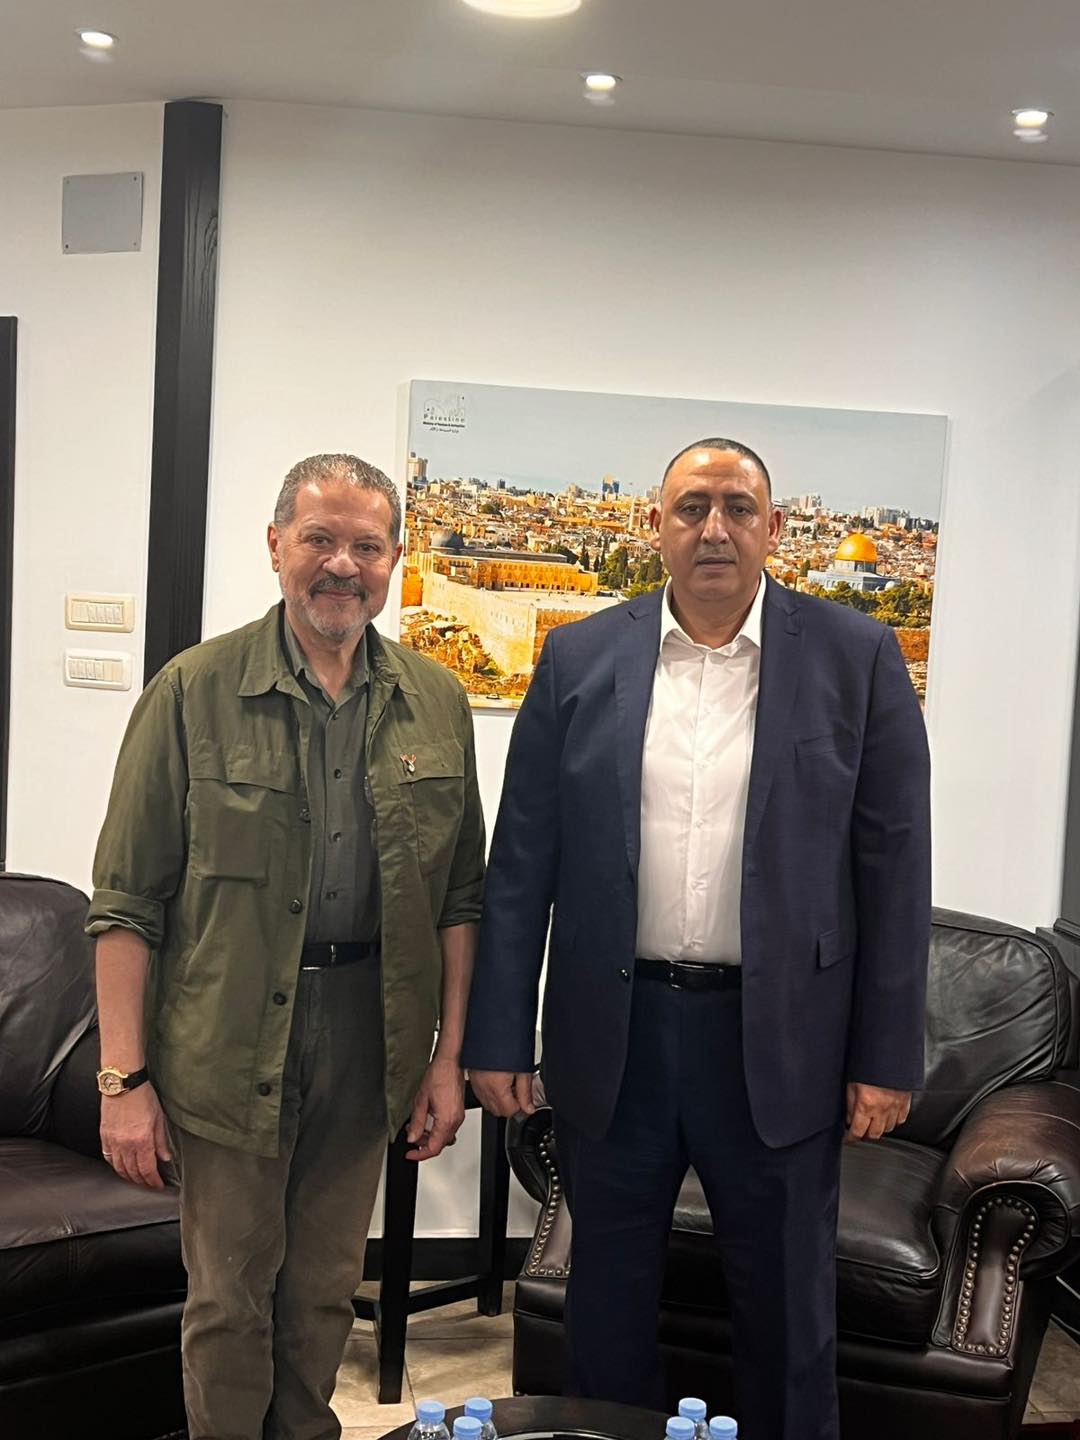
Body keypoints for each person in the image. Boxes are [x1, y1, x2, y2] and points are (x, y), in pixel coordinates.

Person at [464, 438, 930, 1440]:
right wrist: (497, 1037)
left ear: (775, 526)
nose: (714, 528)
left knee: (788, 1314)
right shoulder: (580, 657)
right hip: (615, 1037)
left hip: (781, 1044)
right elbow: (523, 860)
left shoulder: (856, 658)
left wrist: (887, 1057)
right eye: (691, 507)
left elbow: (895, 872)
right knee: (605, 1307)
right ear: (655, 525)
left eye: (737, 507)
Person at [87, 453, 485, 1440]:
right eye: (319, 539)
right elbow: (126, 902)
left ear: (394, 560)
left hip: (370, 1037)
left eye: (367, 546)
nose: (342, 564)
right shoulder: (193, 690)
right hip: (225, 1040)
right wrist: (122, 1080)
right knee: (229, 1300)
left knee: (322, 1293)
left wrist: (447, 1061)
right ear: (276, 546)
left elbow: (459, 900)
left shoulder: (435, 702)